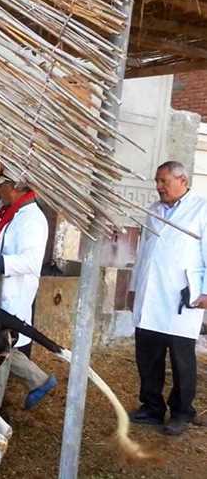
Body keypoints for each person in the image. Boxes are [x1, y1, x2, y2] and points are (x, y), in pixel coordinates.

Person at [127, 161, 207, 436]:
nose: (159, 187)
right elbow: (143, 252)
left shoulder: (201, 209)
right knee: (148, 355)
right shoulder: (153, 210)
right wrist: (134, 288)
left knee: (182, 359)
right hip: (150, 294)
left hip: (180, 295)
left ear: (182, 180)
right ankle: (152, 407)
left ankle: (182, 412)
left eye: (164, 181)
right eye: (157, 181)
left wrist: (206, 292)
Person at [0, 175, 56, 412]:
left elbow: (31, 262)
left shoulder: (33, 219)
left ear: (15, 186)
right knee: (2, 344)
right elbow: (0, 246)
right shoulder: (8, 213)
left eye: (0, 188)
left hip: (14, 292)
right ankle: (40, 381)